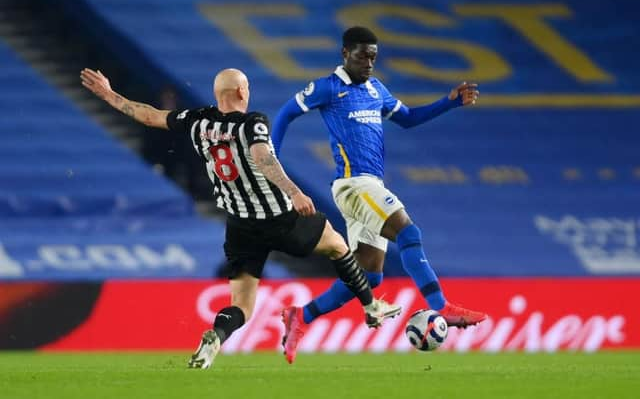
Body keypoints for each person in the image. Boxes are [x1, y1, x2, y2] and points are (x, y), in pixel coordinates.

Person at [80, 67, 401, 369]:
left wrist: (110, 95)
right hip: (278, 217)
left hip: (239, 226)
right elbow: (263, 158)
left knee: (243, 306)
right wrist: (293, 192)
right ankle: (372, 307)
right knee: (338, 245)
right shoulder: (253, 122)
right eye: (246, 87)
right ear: (239, 91)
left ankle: (215, 338)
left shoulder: (197, 121)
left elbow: (149, 116)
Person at [272, 26, 488, 363]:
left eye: (373, 56)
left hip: (371, 186)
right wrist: (272, 159)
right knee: (409, 232)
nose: (369, 63)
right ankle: (442, 307)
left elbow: (408, 118)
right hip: (354, 184)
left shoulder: (376, 89)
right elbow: (286, 113)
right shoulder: (328, 87)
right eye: (363, 56)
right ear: (345, 54)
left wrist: (449, 103)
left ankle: (301, 316)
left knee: (369, 275)